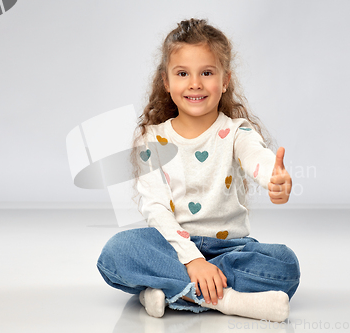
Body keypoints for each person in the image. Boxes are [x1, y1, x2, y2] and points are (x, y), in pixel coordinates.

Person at [97, 18, 300, 322]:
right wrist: (191, 259)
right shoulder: (151, 139)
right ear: (166, 82)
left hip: (230, 250)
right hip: (170, 245)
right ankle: (227, 300)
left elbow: (257, 157)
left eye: (207, 72)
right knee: (116, 253)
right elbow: (154, 207)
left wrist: (274, 177)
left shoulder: (236, 132)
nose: (195, 83)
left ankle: (166, 289)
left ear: (225, 80)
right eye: (183, 73)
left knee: (286, 265)